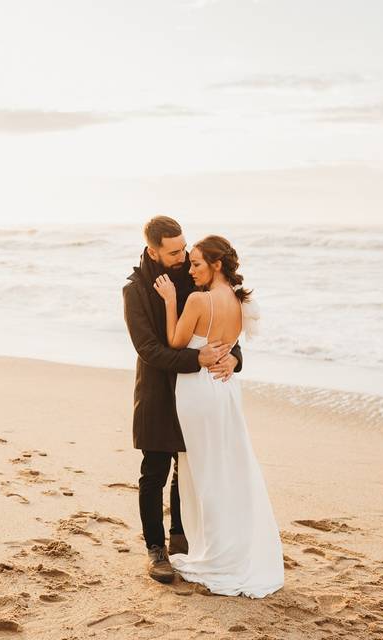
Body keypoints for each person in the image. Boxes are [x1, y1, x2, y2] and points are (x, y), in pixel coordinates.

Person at [153, 234, 284, 598]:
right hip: (225, 389)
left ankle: (214, 554)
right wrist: (234, 359)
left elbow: (175, 343)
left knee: (203, 472)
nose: (190, 270)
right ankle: (229, 546)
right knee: (227, 468)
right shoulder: (241, 302)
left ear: (216, 264)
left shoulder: (197, 300)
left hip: (197, 389)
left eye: (196, 264)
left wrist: (169, 302)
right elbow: (232, 348)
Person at [122, 216, 243, 584]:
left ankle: (182, 537)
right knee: (154, 470)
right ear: (153, 250)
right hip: (159, 391)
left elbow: (219, 320)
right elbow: (148, 350)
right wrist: (196, 359)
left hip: (196, 393)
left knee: (187, 471)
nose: (183, 256)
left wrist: (236, 357)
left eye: (184, 248)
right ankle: (156, 549)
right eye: (174, 252)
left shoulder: (190, 273)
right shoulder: (135, 290)